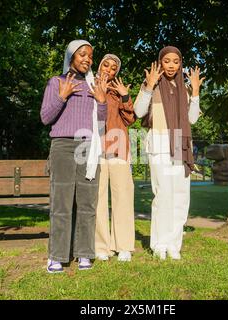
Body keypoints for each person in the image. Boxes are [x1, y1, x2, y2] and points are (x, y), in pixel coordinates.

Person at [40, 40, 108, 273]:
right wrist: (62, 96)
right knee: (62, 203)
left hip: (89, 148)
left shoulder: (94, 85)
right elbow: (45, 118)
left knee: (88, 203)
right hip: (62, 146)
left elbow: (101, 125)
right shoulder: (56, 82)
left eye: (90, 55)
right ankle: (57, 256)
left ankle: (84, 254)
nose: (87, 59)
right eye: (82, 55)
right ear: (71, 56)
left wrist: (101, 102)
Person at [133, 46, 204, 260]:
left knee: (180, 196)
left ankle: (174, 244)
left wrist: (195, 92)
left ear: (180, 63)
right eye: (167, 61)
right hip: (160, 143)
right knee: (163, 195)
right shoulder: (151, 85)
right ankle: (159, 244)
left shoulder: (184, 88)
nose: (171, 65)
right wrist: (149, 86)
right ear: (160, 62)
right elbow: (138, 112)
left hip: (180, 144)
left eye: (175, 61)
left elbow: (191, 119)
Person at [94, 54, 136, 262]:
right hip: (95, 149)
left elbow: (130, 119)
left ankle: (124, 246)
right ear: (99, 66)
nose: (109, 70)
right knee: (98, 198)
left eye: (113, 68)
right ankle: (101, 247)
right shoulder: (88, 87)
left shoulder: (118, 92)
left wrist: (126, 96)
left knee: (123, 197)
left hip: (119, 148)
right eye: (106, 65)